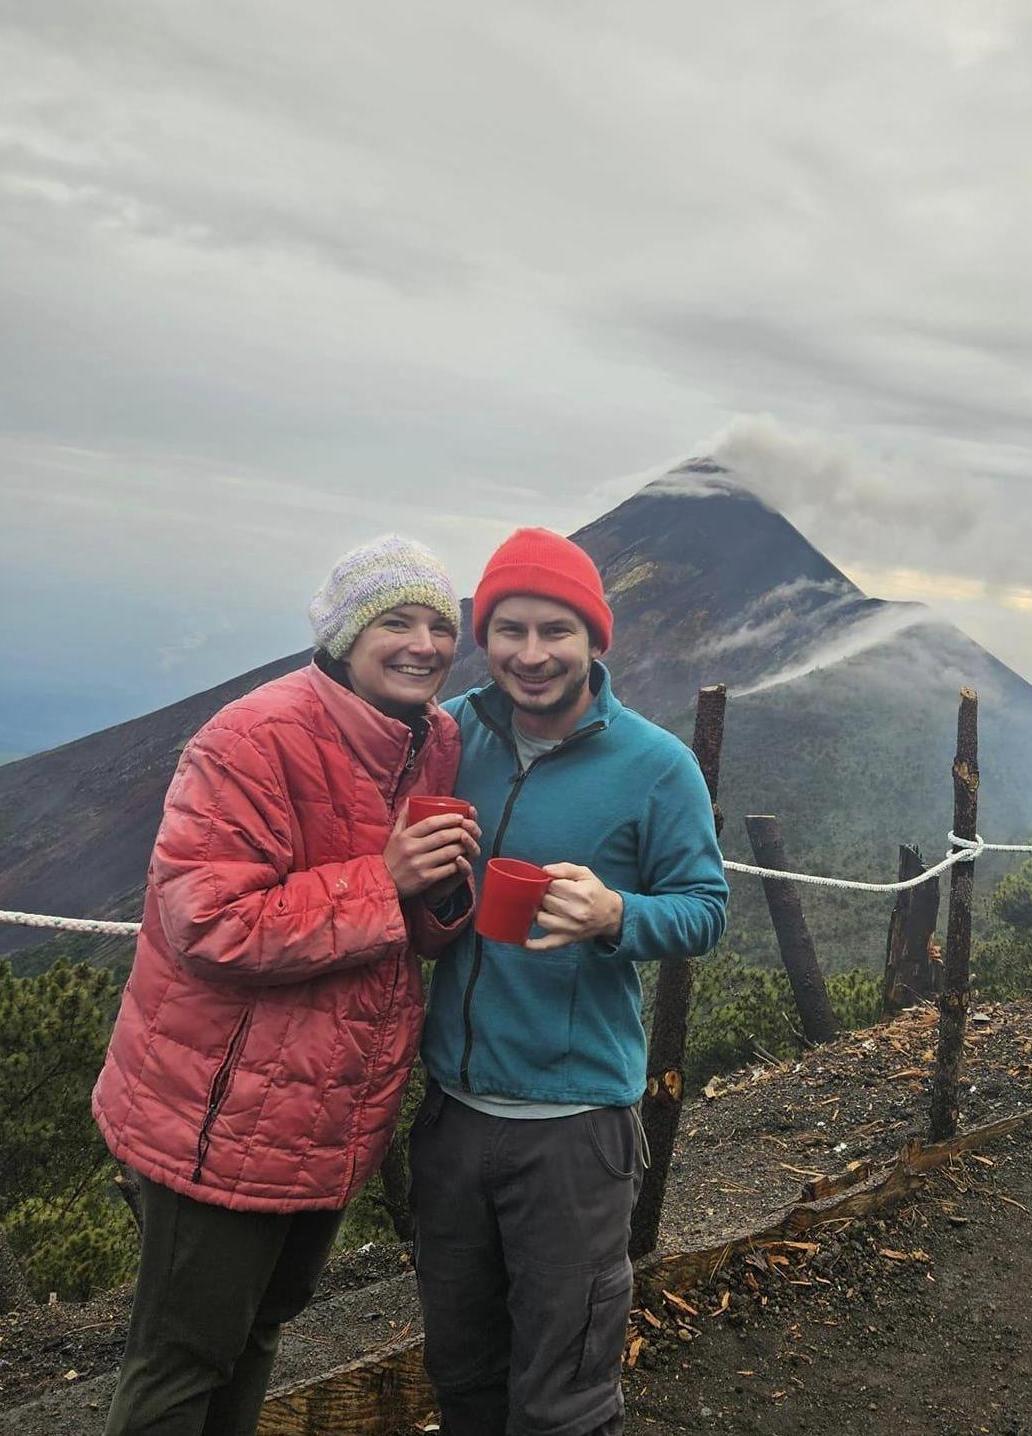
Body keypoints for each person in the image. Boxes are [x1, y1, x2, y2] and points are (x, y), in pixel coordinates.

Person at [92, 535, 480, 1436]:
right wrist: (386, 880)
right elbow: (208, 923)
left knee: (261, 1327)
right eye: (397, 621)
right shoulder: (253, 737)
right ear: (345, 634)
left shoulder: (436, 739)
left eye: (439, 624)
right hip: (219, 1111)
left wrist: (442, 890)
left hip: (334, 1112)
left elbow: (410, 928)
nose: (423, 643)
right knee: (182, 1356)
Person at [412, 527, 729, 1436]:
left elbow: (705, 909)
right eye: (510, 629)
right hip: (452, 1119)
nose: (532, 654)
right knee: (463, 1374)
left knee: (564, 1396)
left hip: (574, 1131)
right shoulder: (452, 736)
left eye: (558, 630)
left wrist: (617, 918)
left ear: (596, 640)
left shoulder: (655, 765)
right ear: (485, 636)